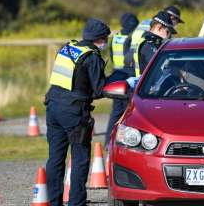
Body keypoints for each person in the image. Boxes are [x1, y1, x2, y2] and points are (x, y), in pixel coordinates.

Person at [45, 18, 110, 206]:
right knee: (80, 159)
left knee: (55, 159)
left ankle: (54, 201)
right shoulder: (92, 56)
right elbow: (99, 90)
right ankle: (76, 202)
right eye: (105, 39)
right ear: (100, 39)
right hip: (74, 113)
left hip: (53, 107)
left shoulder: (67, 48)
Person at [105, 13, 139, 148]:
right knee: (129, 112)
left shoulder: (116, 37)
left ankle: (108, 141)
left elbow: (113, 56)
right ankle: (123, 143)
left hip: (117, 75)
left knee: (115, 111)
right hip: (129, 75)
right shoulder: (133, 38)